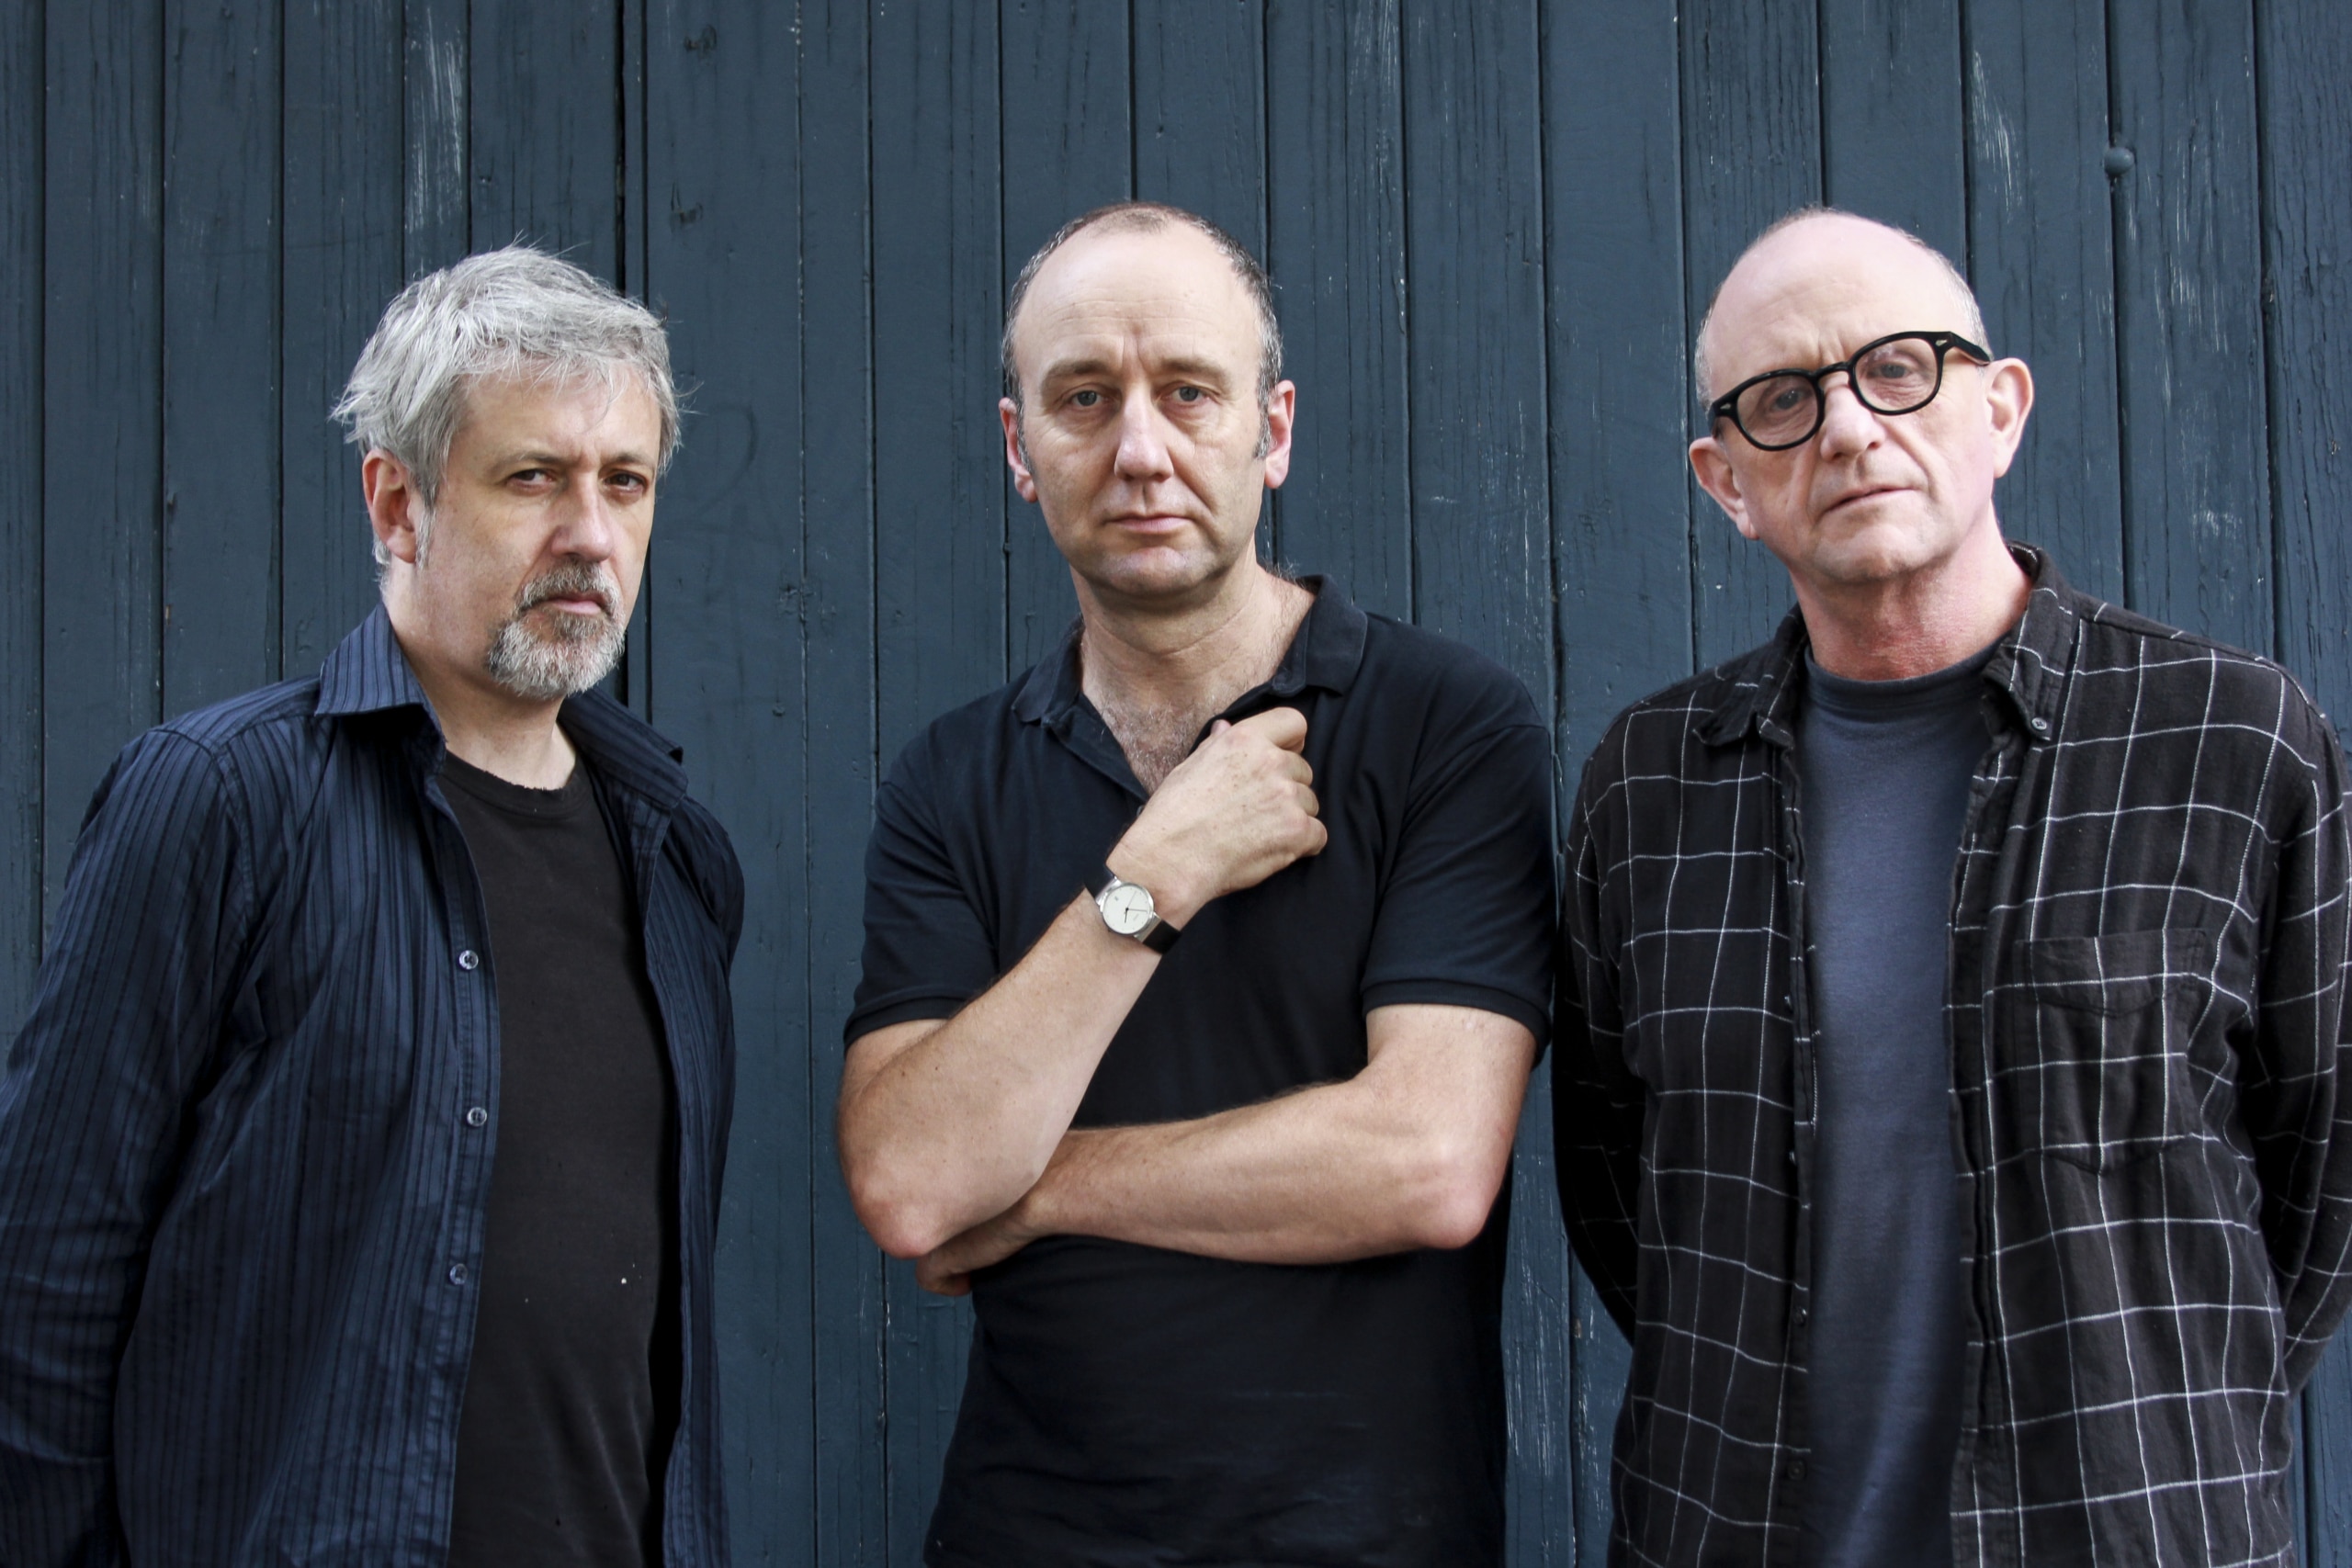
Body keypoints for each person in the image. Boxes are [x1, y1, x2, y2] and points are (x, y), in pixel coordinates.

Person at [1556, 206, 2352, 1565]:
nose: (1850, 428)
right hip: (1730, 1529)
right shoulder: (1648, 783)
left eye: (1900, 368)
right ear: (1725, 481)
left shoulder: (2231, 739)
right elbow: (1620, 1193)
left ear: (2002, 409)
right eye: (1783, 399)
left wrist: (2153, 1416)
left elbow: (2321, 1181)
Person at [0, 247, 745, 1567]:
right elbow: (40, 1280)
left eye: (624, 482)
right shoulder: (223, 801)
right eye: (534, 477)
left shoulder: (678, 856)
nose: (590, 533)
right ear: (399, 504)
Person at [836, 201, 1555, 1566]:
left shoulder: (1446, 726)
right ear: (1021, 451)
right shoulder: (953, 778)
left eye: (1188, 392)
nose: (1139, 450)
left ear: (1273, 432)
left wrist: (1036, 1187)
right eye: (1084, 399)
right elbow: (913, 1181)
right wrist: (1153, 875)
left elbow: (1426, 1162)